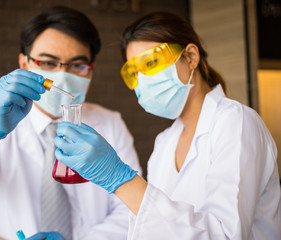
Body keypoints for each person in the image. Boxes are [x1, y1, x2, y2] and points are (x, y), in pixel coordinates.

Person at [0, 6, 142, 240]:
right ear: (25, 64)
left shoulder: (110, 123)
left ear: (91, 71)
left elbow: (129, 210)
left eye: (77, 65)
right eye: (48, 62)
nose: (63, 75)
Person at [54, 11, 281, 239]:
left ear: (191, 56)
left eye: (151, 62)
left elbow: (225, 235)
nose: (142, 80)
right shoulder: (164, 143)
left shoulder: (235, 122)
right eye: (134, 72)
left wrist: (119, 179)